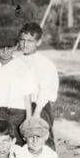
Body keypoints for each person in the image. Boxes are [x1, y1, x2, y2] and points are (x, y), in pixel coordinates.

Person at [0, 30, 35, 145]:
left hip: (17, 115)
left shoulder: (23, 68)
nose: (5, 51)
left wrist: (28, 120)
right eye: (1, 48)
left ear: (15, 47)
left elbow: (27, 97)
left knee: (17, 147)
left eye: (9, 47)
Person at [18, 22, 59, 150]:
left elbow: (45, 90)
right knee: (22, 139)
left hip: (39, 107)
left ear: (39, 42)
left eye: (30, 41)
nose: (25, 44)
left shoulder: (45, 64)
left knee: (41, 138)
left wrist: (36, 115)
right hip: (20, 106)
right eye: (22, 40)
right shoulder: (16, 61)